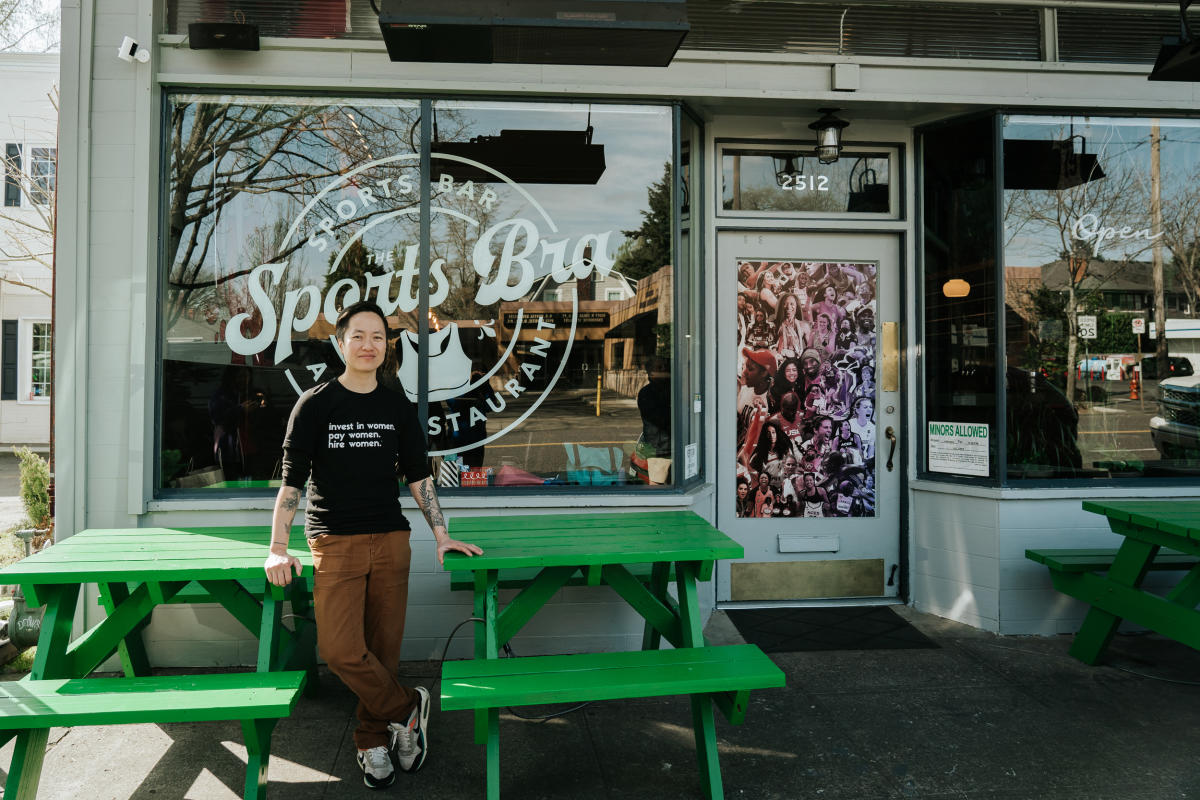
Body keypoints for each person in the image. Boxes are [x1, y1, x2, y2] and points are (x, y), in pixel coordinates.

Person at [263, 300, 483, 790]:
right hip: (333, 540)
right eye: (358, 336)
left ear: (388, 347)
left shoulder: (396, 406)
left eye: (379, 337)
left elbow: (419, 476)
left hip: (390, 540)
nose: (369, 345)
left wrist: (441, 534)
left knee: (382, 650)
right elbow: (292, 482)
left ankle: (371, 741)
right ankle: (409, 707)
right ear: (341, 343)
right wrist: (277, 545)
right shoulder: (315, 404)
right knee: (341, 649)